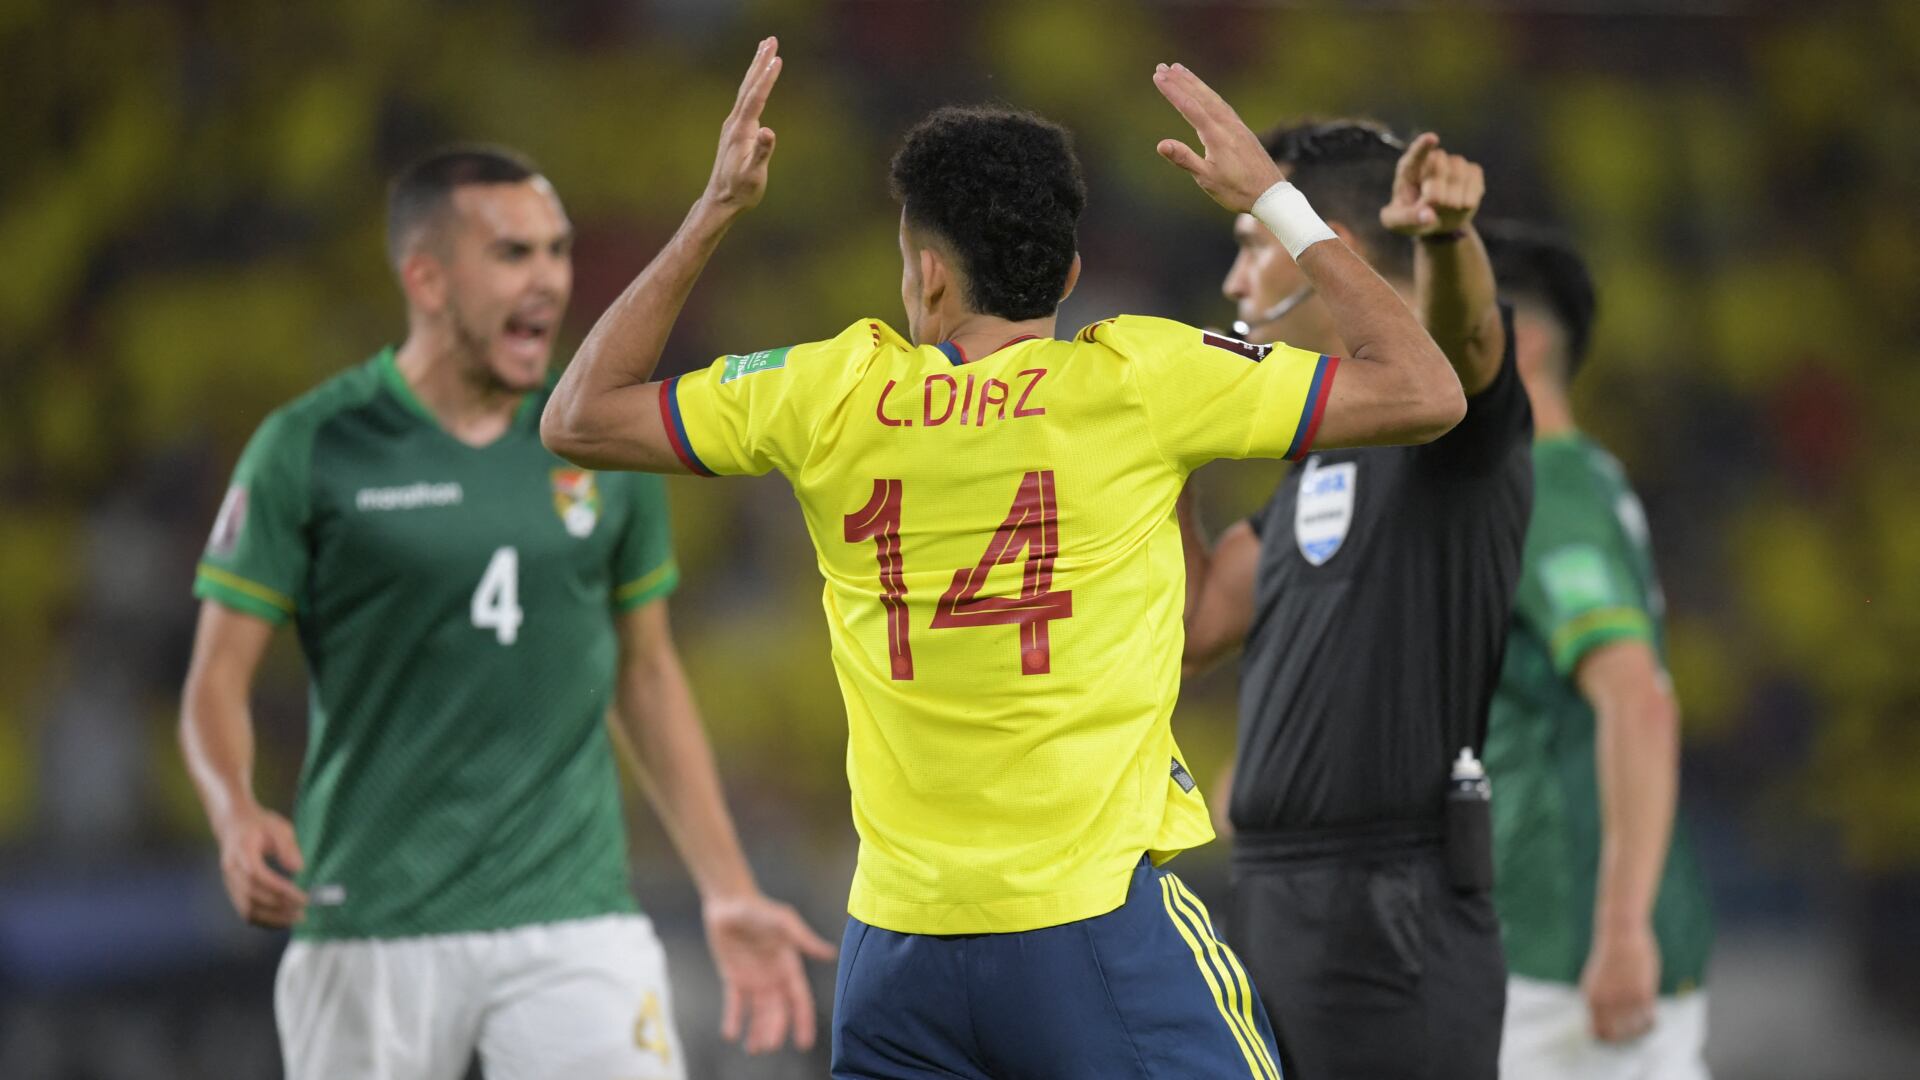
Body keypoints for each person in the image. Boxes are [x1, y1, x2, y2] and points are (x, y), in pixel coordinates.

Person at [543, 40, 1466, 1080]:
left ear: (926, 272)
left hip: (894, 955)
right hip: (1092, 937)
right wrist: (1277, 200)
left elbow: (579, 417)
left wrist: (713, 210)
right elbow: (1426, 392)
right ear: (1067, 273)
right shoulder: (1141, 379)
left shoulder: (828, 391)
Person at [178, 143, 833, 1080]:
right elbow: (215, 680)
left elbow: (646, 673)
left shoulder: (600, 441)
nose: (550, 281)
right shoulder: (312, 447)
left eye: (558, 252)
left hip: (574, 920)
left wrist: (727, 886)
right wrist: (234, 811)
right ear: (428, 279)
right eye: (513, 255)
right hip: (370, 922)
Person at [1179, 120, 1529, 1078]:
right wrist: (1162, 451)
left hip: (1393, 902)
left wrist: (1446, 244)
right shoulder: (1313, 466)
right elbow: (1192, 628)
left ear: (1319, 244)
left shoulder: (1443, 436)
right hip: (1274, 897)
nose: (1234, 286)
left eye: (1252, 251)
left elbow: (1457, 344)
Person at [1476, 219, 1715, 1079]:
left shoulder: (1543, 488)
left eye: (1458, 310)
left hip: (1569, 948)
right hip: (1560, 934)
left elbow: (1637, 700)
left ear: (1525, 342)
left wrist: (1620, 931)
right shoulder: (1583, 474)